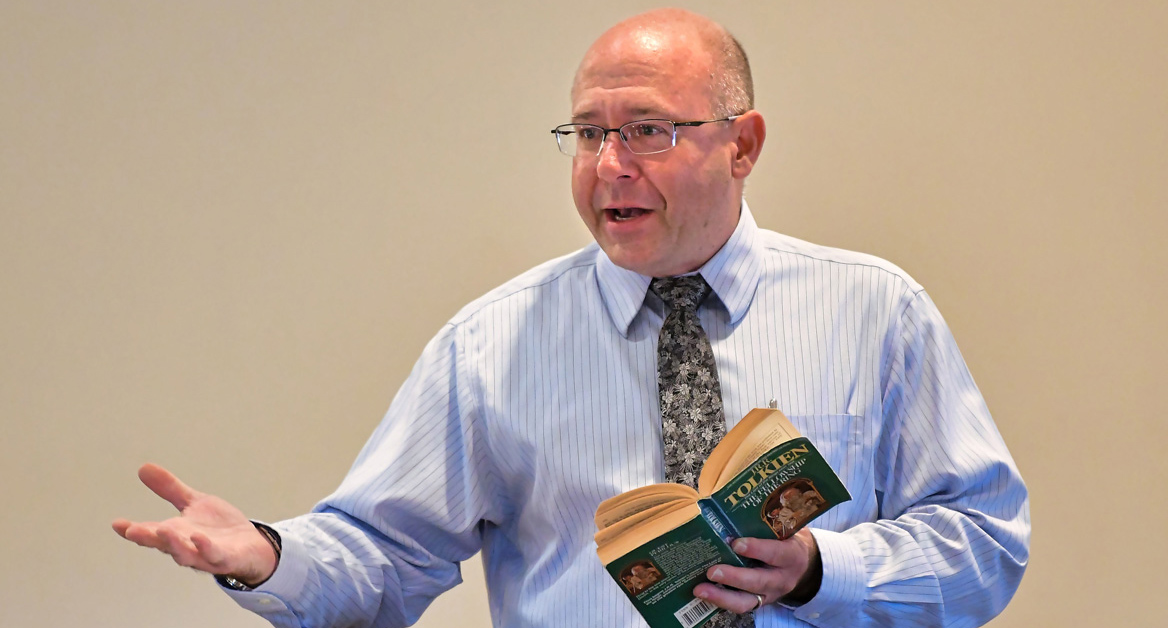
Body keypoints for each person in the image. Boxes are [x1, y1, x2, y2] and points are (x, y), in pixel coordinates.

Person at [113, 8, 1029, 627]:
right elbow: (381, 558)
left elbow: (985, 543)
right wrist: (267, 556)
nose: (609, 165)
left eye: (648, 130)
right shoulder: (493, 344)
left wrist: (821, 570)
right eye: (590, 133)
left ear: (742, 145)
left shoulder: (873, 311)